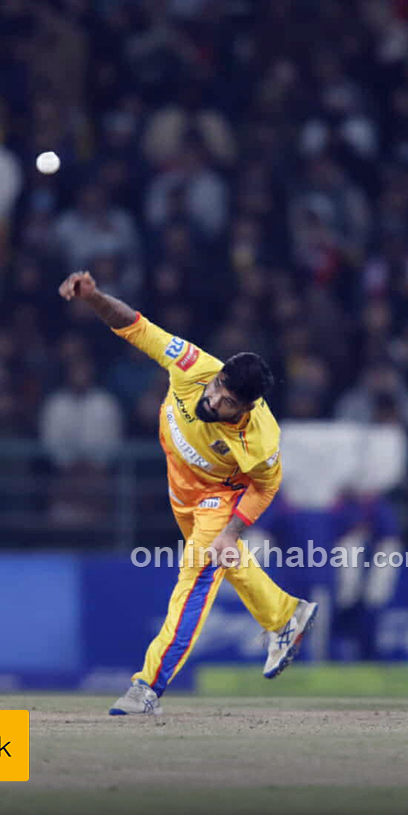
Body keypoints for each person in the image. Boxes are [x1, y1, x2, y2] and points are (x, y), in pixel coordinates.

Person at [58, 271, 316, 717]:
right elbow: (134, 326)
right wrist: (94, 297)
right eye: (218, 389)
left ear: (247, 407)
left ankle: (146, 687)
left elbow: (266, 486)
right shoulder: (195, 366)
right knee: (227, 562)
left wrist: (231, 531)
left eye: (227, 402)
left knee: (195, 578)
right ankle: (285, 616)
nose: (213, 401)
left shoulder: (260, 439)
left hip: (219, 497)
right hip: (182, 491)